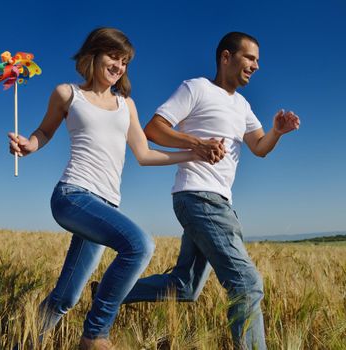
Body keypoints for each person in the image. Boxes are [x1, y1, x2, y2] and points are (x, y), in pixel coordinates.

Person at [8, 27, 208, 350]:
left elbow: (144, 154)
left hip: (106, 207)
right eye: (113, 56)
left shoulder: (125, 105)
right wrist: (29, 145)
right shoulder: (67, 94)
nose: (119, 66)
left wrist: (191, 154)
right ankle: (95, 335)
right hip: (72, 196)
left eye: (125, 61)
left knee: (66, 297)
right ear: (94, 55)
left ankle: (20, 345)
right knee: (140, 245)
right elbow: (44, 132)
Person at [122, 32, 300, 349]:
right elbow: (154, 129)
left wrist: (277, 131)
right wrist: (197, 143)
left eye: (258, 60)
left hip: (221, 202)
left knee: (185, 285)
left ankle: (109, 290)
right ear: (226, 57)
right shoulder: (196, 88)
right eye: (250, 58)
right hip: (198, 196)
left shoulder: (243, 105)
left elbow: (259, 147)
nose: (257, 66)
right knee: (247, 284)